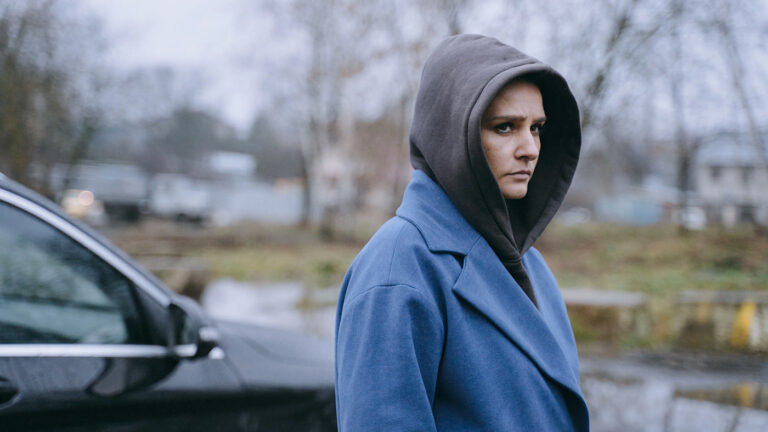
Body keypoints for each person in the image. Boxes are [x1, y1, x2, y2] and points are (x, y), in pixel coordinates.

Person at [334, 34, 589, 431]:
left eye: (536, 128)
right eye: (505, 127)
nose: (530, 148)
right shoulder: (397, 270)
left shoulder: (528, 262)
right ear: (452, 135)